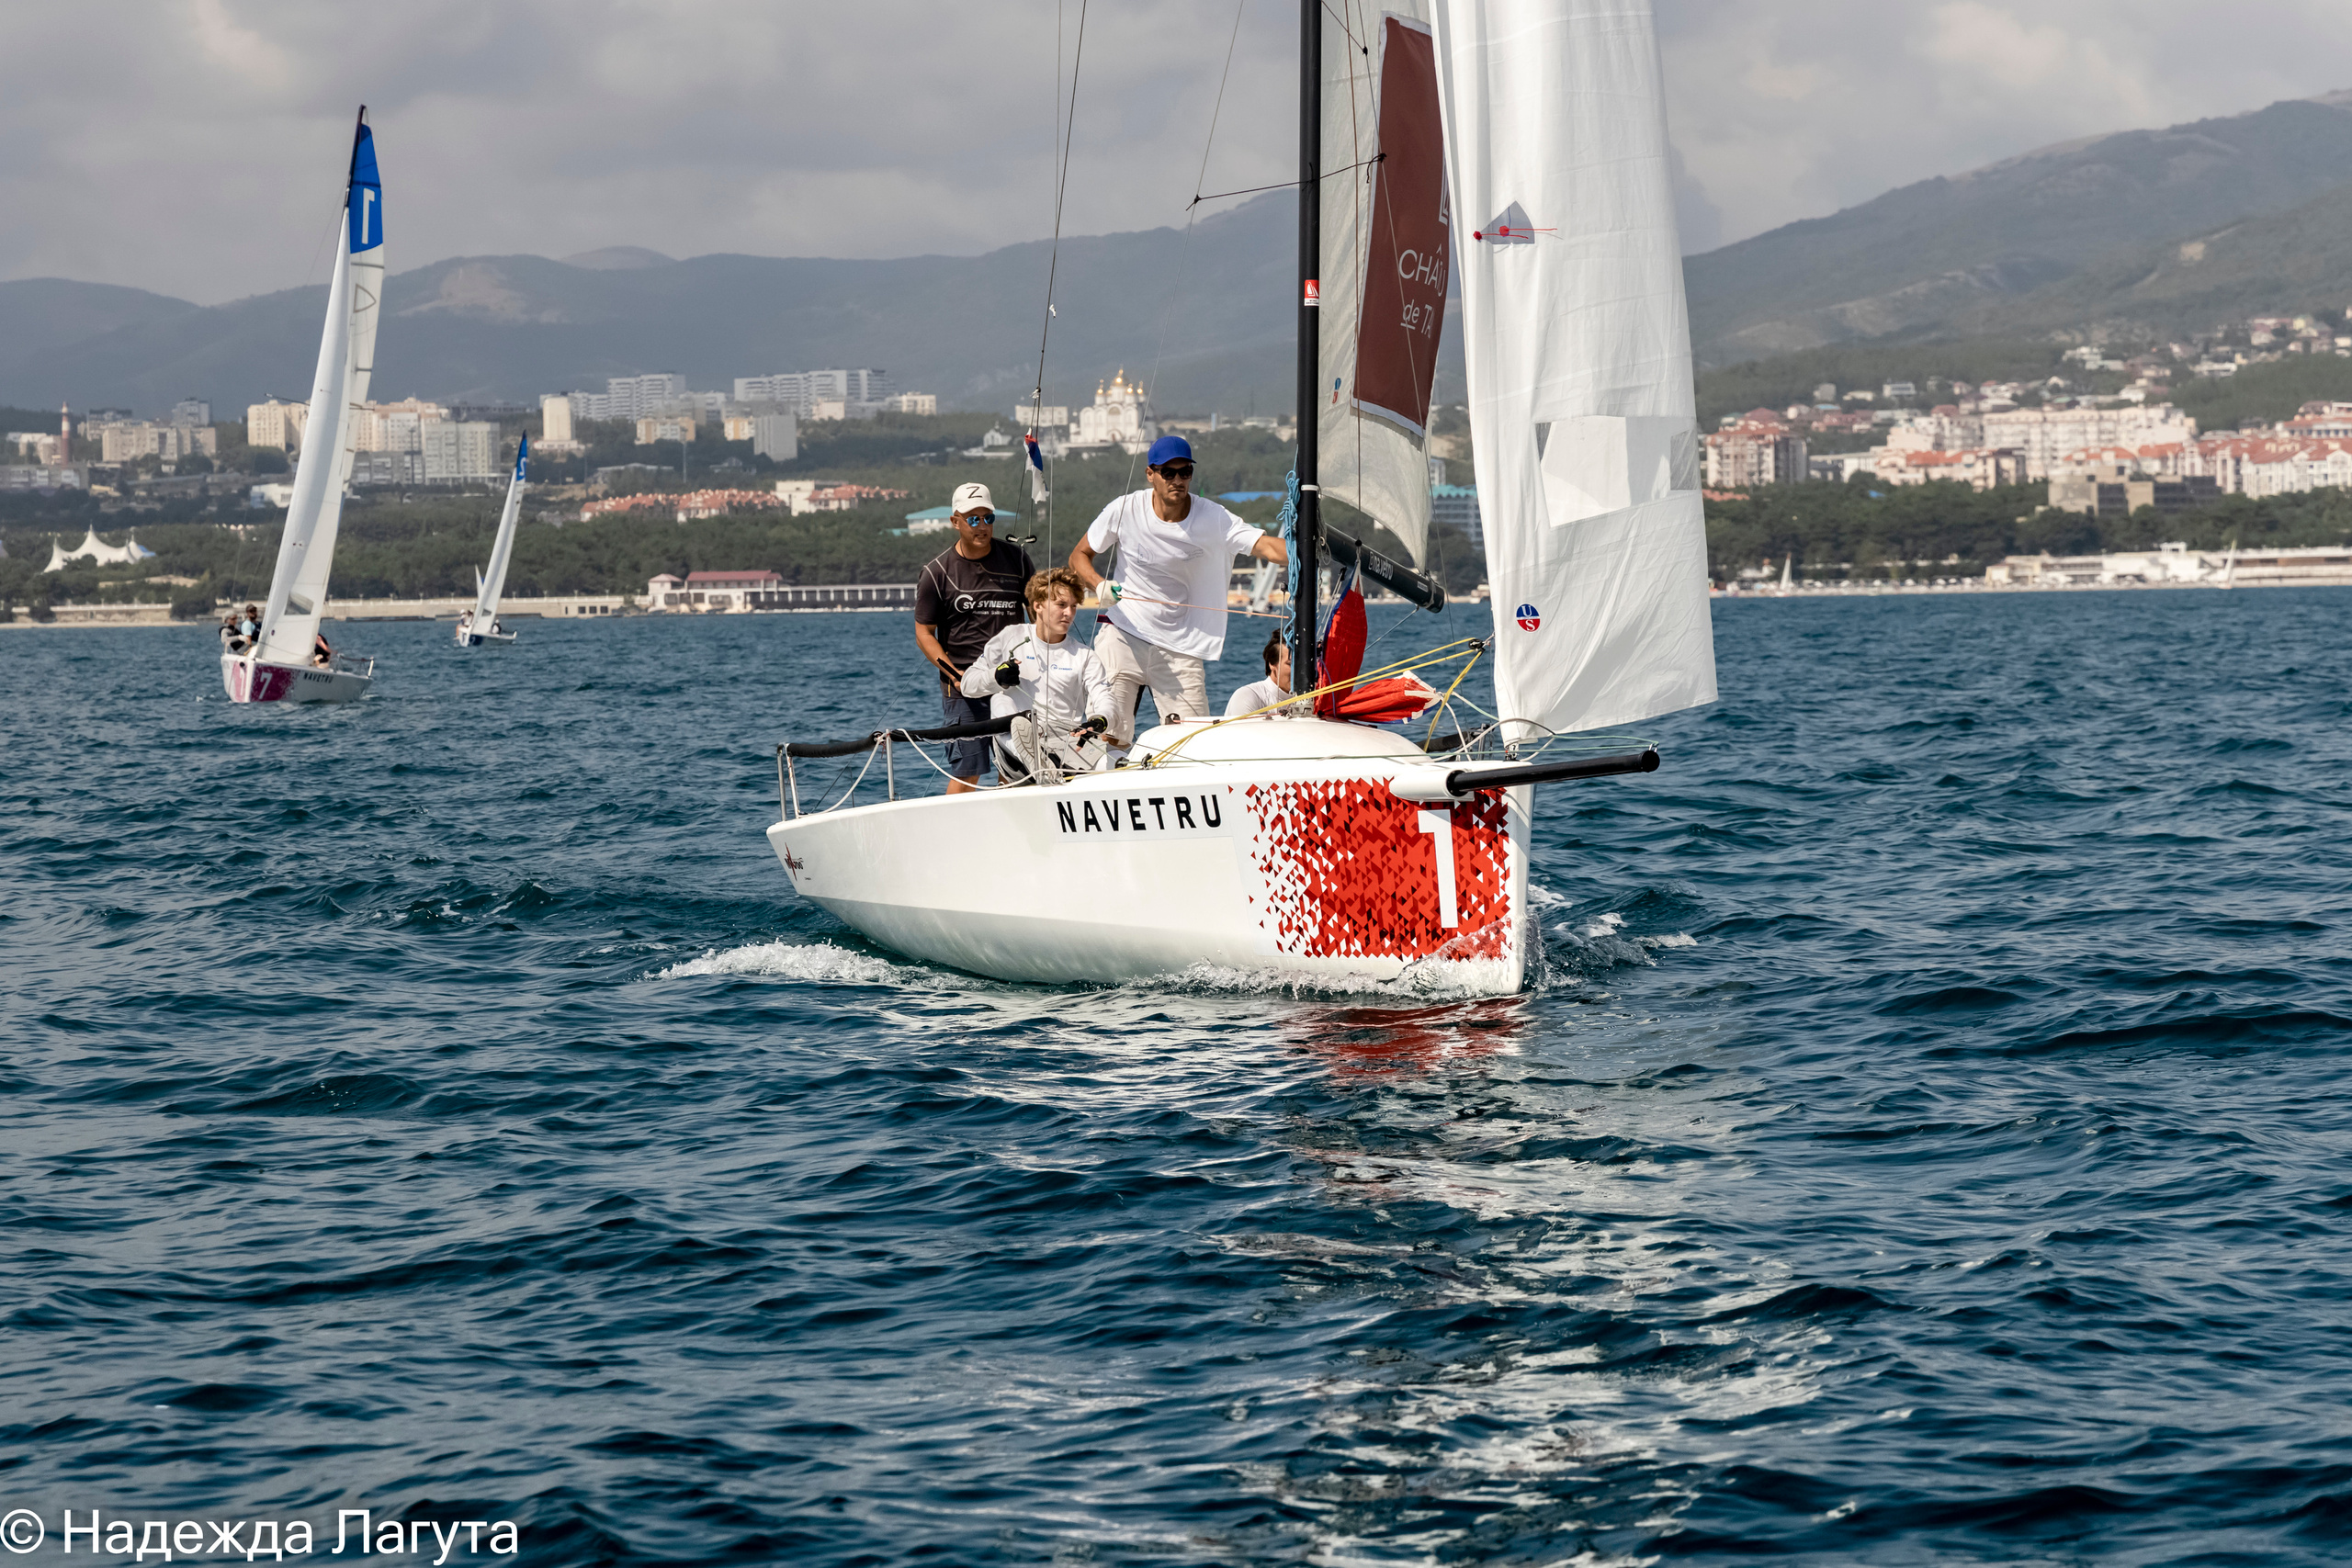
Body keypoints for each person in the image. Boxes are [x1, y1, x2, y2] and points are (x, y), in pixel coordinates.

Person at [1069, 434, 1285, 743]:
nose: (1177, 480)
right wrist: (1099, 584)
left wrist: (1310, 548)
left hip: (1180, 646)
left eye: (1185, 472)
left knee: (1194, 742)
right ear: (1150, 474)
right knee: (1111, 733)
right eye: (1168, 473)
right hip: (1124, 633)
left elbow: (1265, 547)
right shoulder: (1125, 509)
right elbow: (1079, 555)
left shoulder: (1213, 517)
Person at [913, 481, 1035, 793]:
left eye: (988, 518)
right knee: (968, 773)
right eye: (973, 519)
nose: (982, 527)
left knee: (1015, 771)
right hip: (965, 686)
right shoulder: (937, 571)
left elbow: (1036, 612)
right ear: (956, 521)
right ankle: (947, 835)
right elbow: (924, 632)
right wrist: (954, 674)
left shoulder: (1018, 560)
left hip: (1013, 681)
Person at [960, 568, 1114, 784]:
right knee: (999, 697)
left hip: (1067, 745)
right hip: (1015, 753)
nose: (1069, 613)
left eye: (1073, 607)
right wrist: (996, 677)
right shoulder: (1010, 637)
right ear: (1038, 606)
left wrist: (1101, 719)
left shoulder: (1085, 656)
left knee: (1120, 760)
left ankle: (1048, 767)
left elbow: (1103, 694)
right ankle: (1034, 758)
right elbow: (967, 684)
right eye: (1061, 605)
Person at [1223, 630, 1295, 718]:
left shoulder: (1315, 699)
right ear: (1272, 664)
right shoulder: (1247, 696)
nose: (1299, 670)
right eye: (1290, 664)